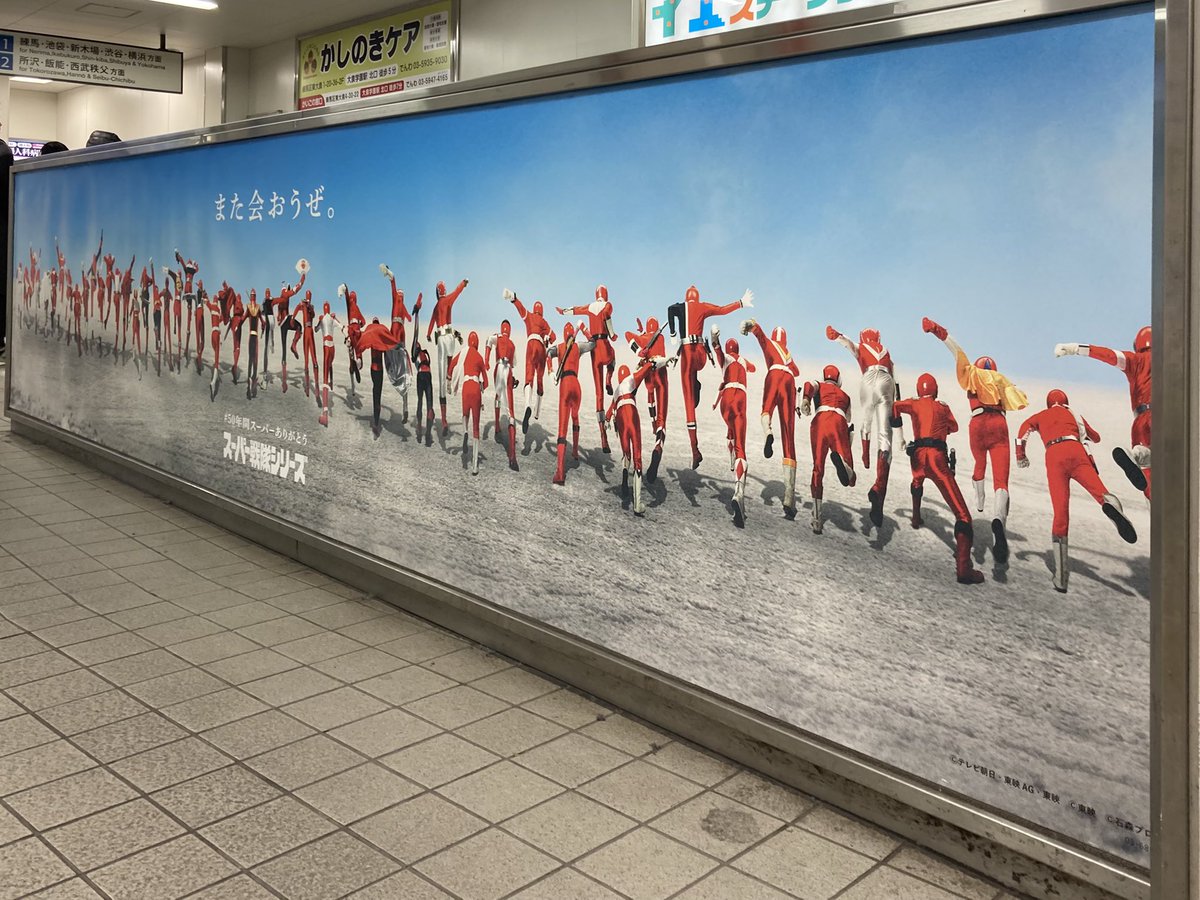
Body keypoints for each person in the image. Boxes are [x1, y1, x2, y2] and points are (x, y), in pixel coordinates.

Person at [922, 317, 1028, 563]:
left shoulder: (971, 374)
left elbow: (955, 350)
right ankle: (998, 519)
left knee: (980, 466)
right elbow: (1018, 399)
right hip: (999, 423)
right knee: (1001, 480)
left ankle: (979, 503)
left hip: (977, 423)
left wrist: (937, 330)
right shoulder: (1001, 380)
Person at [1016, 389, 1137, 592]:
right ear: (1065, 402)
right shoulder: (1074, 414)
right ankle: (1112, 508)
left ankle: (1061, 579)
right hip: (1076, 451)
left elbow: (1022, 432)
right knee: (1101, 493)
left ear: (1048, 403)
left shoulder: (1040, 416)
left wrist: (1021, 455)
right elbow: (1096, 438)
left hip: (1054, 455)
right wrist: (1081, 430)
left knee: (1061, 513)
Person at [892, 374, 984, 585]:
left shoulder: (912, 403)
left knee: (917, 481)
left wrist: (899, 431)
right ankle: (964, 569)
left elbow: (895, 406)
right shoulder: (942, 407)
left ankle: (915, 517)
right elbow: (954, 427)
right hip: (937, 456)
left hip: (917, 454)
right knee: (963, 515)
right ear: (936, 390)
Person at [1054, 328, 1152, 499]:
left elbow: (1107, 355)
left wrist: (1074, 348)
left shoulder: (1133, 360)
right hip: (1168, 415)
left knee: (1148, 476)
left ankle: (1135, 454)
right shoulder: (1174, 360)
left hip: (1140, 420)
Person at [826, 323, 903, 529]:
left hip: (869, 378)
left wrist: (836, 335)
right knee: (885, 438)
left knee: (866, 420)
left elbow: (848, 343)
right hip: (886, 380)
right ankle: (878, 488)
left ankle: (865, 456)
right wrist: (896, 403)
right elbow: (896, 383)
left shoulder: (862, 347)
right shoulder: (888, 354)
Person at [667, 285, 754, 468]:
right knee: (695, 371)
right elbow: (722, 310)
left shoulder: (680, 306)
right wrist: (741, 303)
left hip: (686, 353)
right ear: (697, 298)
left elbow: (670, 310)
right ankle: (695, 381)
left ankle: (695, 450)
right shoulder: (703, 306)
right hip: (699, 354)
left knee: (689, 406)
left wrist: (673, 333)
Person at [742, 318, 801, 518]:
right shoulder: (788, 353)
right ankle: (789, 495)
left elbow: (760, 335)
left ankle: (768, 431)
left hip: (774, 375)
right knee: (788, 436)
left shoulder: (770, 345)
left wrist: (751, 326)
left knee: (766, 410)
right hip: (789, 381)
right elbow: (797, 371)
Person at [606, 358, 673, 516]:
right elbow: (650, 366)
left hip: (620, 416)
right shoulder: (631, 380)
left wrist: (607, 424)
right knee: (637, 457)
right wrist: (664, 361)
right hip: (631, 413)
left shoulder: (616, 391)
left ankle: (624, 474)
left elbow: (608, 415)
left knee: (626, 453)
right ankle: (637, 503)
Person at [557, 285, 617, 453]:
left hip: (594, 350)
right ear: (605, 294)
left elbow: (576, 309)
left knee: (599, 396)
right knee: (612, 358)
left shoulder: (590, 306)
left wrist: (563, 311)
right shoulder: (608, 304)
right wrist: (612, 334)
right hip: (604, 344)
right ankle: (609, 378)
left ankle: (603, 438)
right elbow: (606, 315)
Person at [801, 365, 856, 535]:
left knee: (818, 469)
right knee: (851, 479)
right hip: (838, 423)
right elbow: (848, 419)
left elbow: (809, 385)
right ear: (839, 379)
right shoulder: (846, 396)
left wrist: (805, 400)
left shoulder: (820, 385)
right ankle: (846, 467)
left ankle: (817, 518)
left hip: (820, 421)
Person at [712, 326, 756, 527]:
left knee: (730, 426)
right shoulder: (743, 361)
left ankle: (731, 450)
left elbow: (719, 354)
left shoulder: (727, 360)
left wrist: (714, 340)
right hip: (740, 398)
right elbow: (753, 368)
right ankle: (739, 492)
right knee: (742, 449)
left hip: (726, 399)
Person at [547, 321, 597, 484]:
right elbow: (592, 343)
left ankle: (560, 473)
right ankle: (575, 451)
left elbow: (548, 352)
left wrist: (550, 370)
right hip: (576, 384)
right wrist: (584, 329)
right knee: (575, 417)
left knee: (562, 429)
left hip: (565, 384)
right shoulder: (578, 347)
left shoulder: (559, 347)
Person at [626, 316, 671, 482]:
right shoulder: (662, 337)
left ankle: (653, 424)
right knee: (663, 418)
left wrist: (638, 351)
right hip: (661, 370)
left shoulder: (645, 338)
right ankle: (658, 444)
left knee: (650, 395)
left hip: (648, 371)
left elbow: (627, 335)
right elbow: (652, 339)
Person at [506, 289, 555, 433]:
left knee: (529, 378)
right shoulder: (544, 322)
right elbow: (554, 336)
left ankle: (528, 404)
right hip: (541, 347)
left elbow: (521, 309)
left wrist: (513, 298)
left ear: (534, 310)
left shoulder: (530, 316)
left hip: (531, 344)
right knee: (540, 379)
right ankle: (537, 412)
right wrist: (547, 338)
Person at [426, 278, 470, 435]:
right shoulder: (447, 300)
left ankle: (443, 419)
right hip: (449, 338)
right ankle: (450, 375)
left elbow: (432, 321)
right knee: (449, 360)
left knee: (441, 377)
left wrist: (428, 334)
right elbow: (457, 292)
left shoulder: (436, 305)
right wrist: (463, 284)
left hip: (442, 339)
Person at [358, 318, 403, 438]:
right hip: (380, 370)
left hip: (373, 369)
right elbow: (390, 345)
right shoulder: (381, 337)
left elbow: (361, 342)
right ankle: (376, 423)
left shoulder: (371, 335)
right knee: (377, 395)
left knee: (375, 394)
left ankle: (376, 422)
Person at [380, 265, 415, 421]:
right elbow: (393, 285)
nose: (400, 296)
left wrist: (412, 313)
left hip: (400, 333)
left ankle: (405, 405)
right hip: (395, 330)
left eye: (401, 295)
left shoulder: (402, 307)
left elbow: (409, 316)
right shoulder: (396, 300)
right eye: (398, 295)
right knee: (395, 360)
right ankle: (395, 374)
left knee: (403, 364)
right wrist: (390, 275)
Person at [486, 320, 520, 471]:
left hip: (498, 368)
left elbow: (488, 341)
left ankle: (498, 426)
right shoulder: (512, 344)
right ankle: (512, 455)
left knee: (498, 397)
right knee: (510, 411)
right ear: (510, 330)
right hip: (507, 371)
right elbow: (513, 365)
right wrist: (512, 380)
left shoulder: (497, 337)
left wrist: (486, 360)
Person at [278, 260, 308, 392]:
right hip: (287, 320)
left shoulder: (280, 297)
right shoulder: (286, 294)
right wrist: (303, 274)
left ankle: (284, 382)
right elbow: (299, 287)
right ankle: (294, 344)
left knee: (283, 352)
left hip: (281, 324)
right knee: (299, 327)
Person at [315, 301, 344, 425]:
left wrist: (318, 321)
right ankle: (331, 382)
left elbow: (316, 330)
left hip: (326, 346)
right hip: (333, 348)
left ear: (323, 308)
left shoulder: (323, 319)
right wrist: (335, 317)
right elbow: (342, 327)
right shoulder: (332, 319)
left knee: (324, 379)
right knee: (329, 365)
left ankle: (325, 413)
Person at [244, 292, 267, 400]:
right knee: (254, 360)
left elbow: (243, 319)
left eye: (253, 295)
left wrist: (263, 325)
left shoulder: (252, 308)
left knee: (252, 360)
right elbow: (262, 322)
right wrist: (263, 325)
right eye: (253, 295)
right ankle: (251, 383)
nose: (253, 297)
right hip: (254, 337)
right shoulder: (254, 308)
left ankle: (251, 382)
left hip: (252, 336)